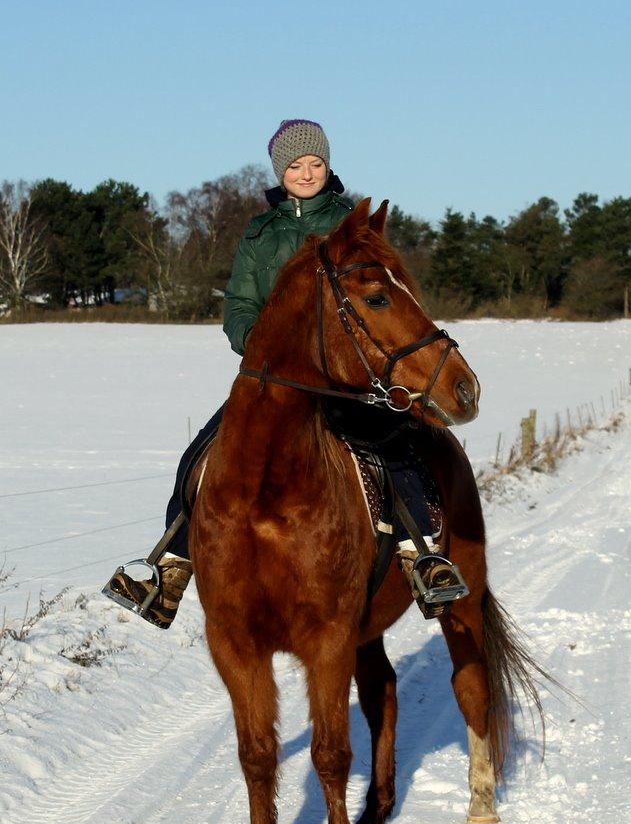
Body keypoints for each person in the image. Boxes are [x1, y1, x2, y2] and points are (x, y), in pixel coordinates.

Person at [104, 120, 465, 628]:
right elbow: (240, 306)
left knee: (393, 449)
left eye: (315, 163)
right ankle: (169, 571)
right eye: (295, 165)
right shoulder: (260, 234)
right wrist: (260, 347)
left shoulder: (351, 224)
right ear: (280, 171)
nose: (306, 173)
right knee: (203, 456)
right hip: (273, 379)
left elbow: (381, 296)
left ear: (327, 165)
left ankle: (422, 556)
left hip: (345, 379)